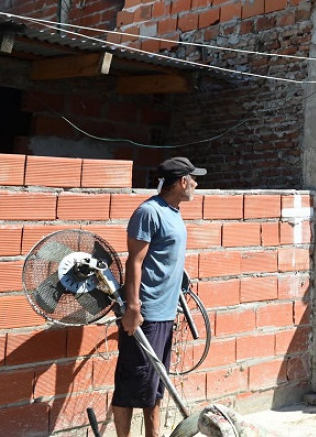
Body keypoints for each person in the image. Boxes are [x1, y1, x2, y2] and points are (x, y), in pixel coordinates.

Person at [112, 156, 204, 437]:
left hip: (165, 312)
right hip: (146, 313)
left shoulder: (173, 212)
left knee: (155, 386)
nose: (197, 185)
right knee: (132, 385)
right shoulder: (148, 212)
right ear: (182, 182)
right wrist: (133, 307)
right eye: (194, 179)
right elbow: (134, 262)